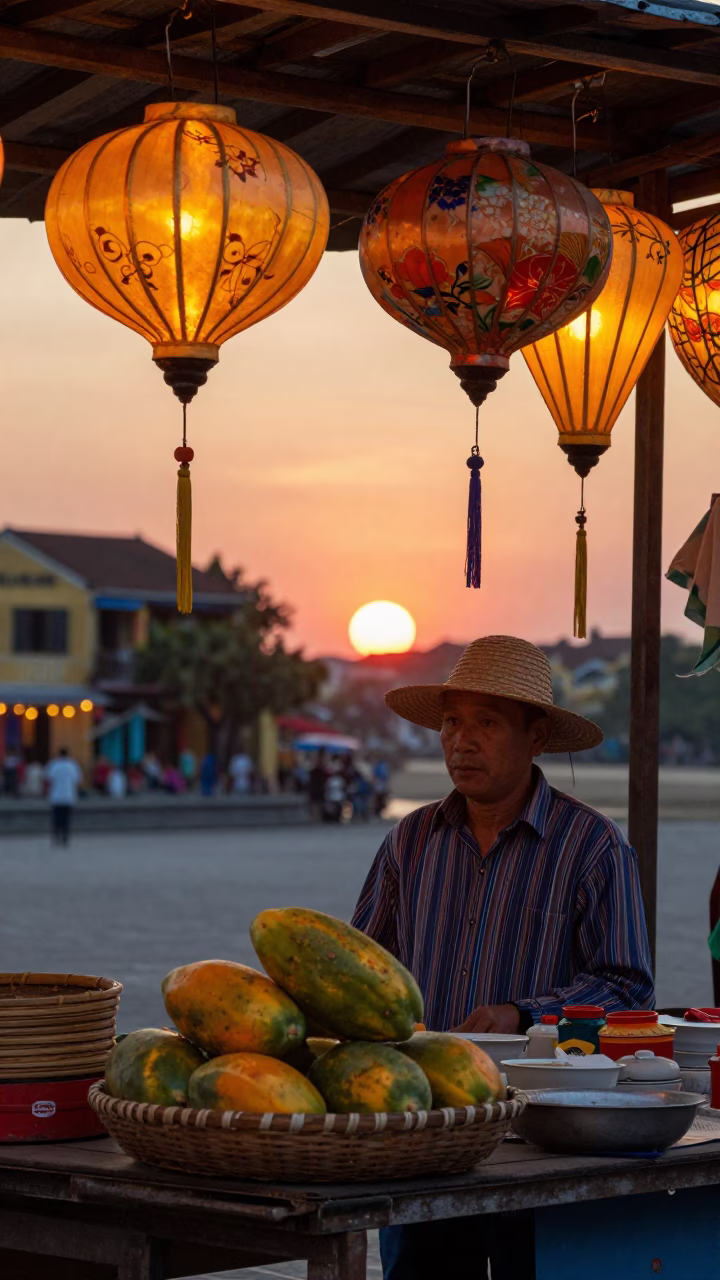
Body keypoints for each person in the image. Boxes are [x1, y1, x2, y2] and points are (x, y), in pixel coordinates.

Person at [352, 636, 653, 1280]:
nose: (462, 741)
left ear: (536, 735)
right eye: (453, 722)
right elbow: (363, 971)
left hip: (547, 1129)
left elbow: (628, 989)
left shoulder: (593, 847)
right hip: (430, 1129)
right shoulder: (412, 840)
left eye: (487, 723)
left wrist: (524, 1014)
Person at [44, 747, 83, 846]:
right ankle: (65, 837)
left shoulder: (54, 764)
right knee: (66, 818)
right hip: (68, 796)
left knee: (56, 818)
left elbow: (48, 777)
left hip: (56, 796)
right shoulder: (72, 765)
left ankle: (56, 836)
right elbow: (77, 780)